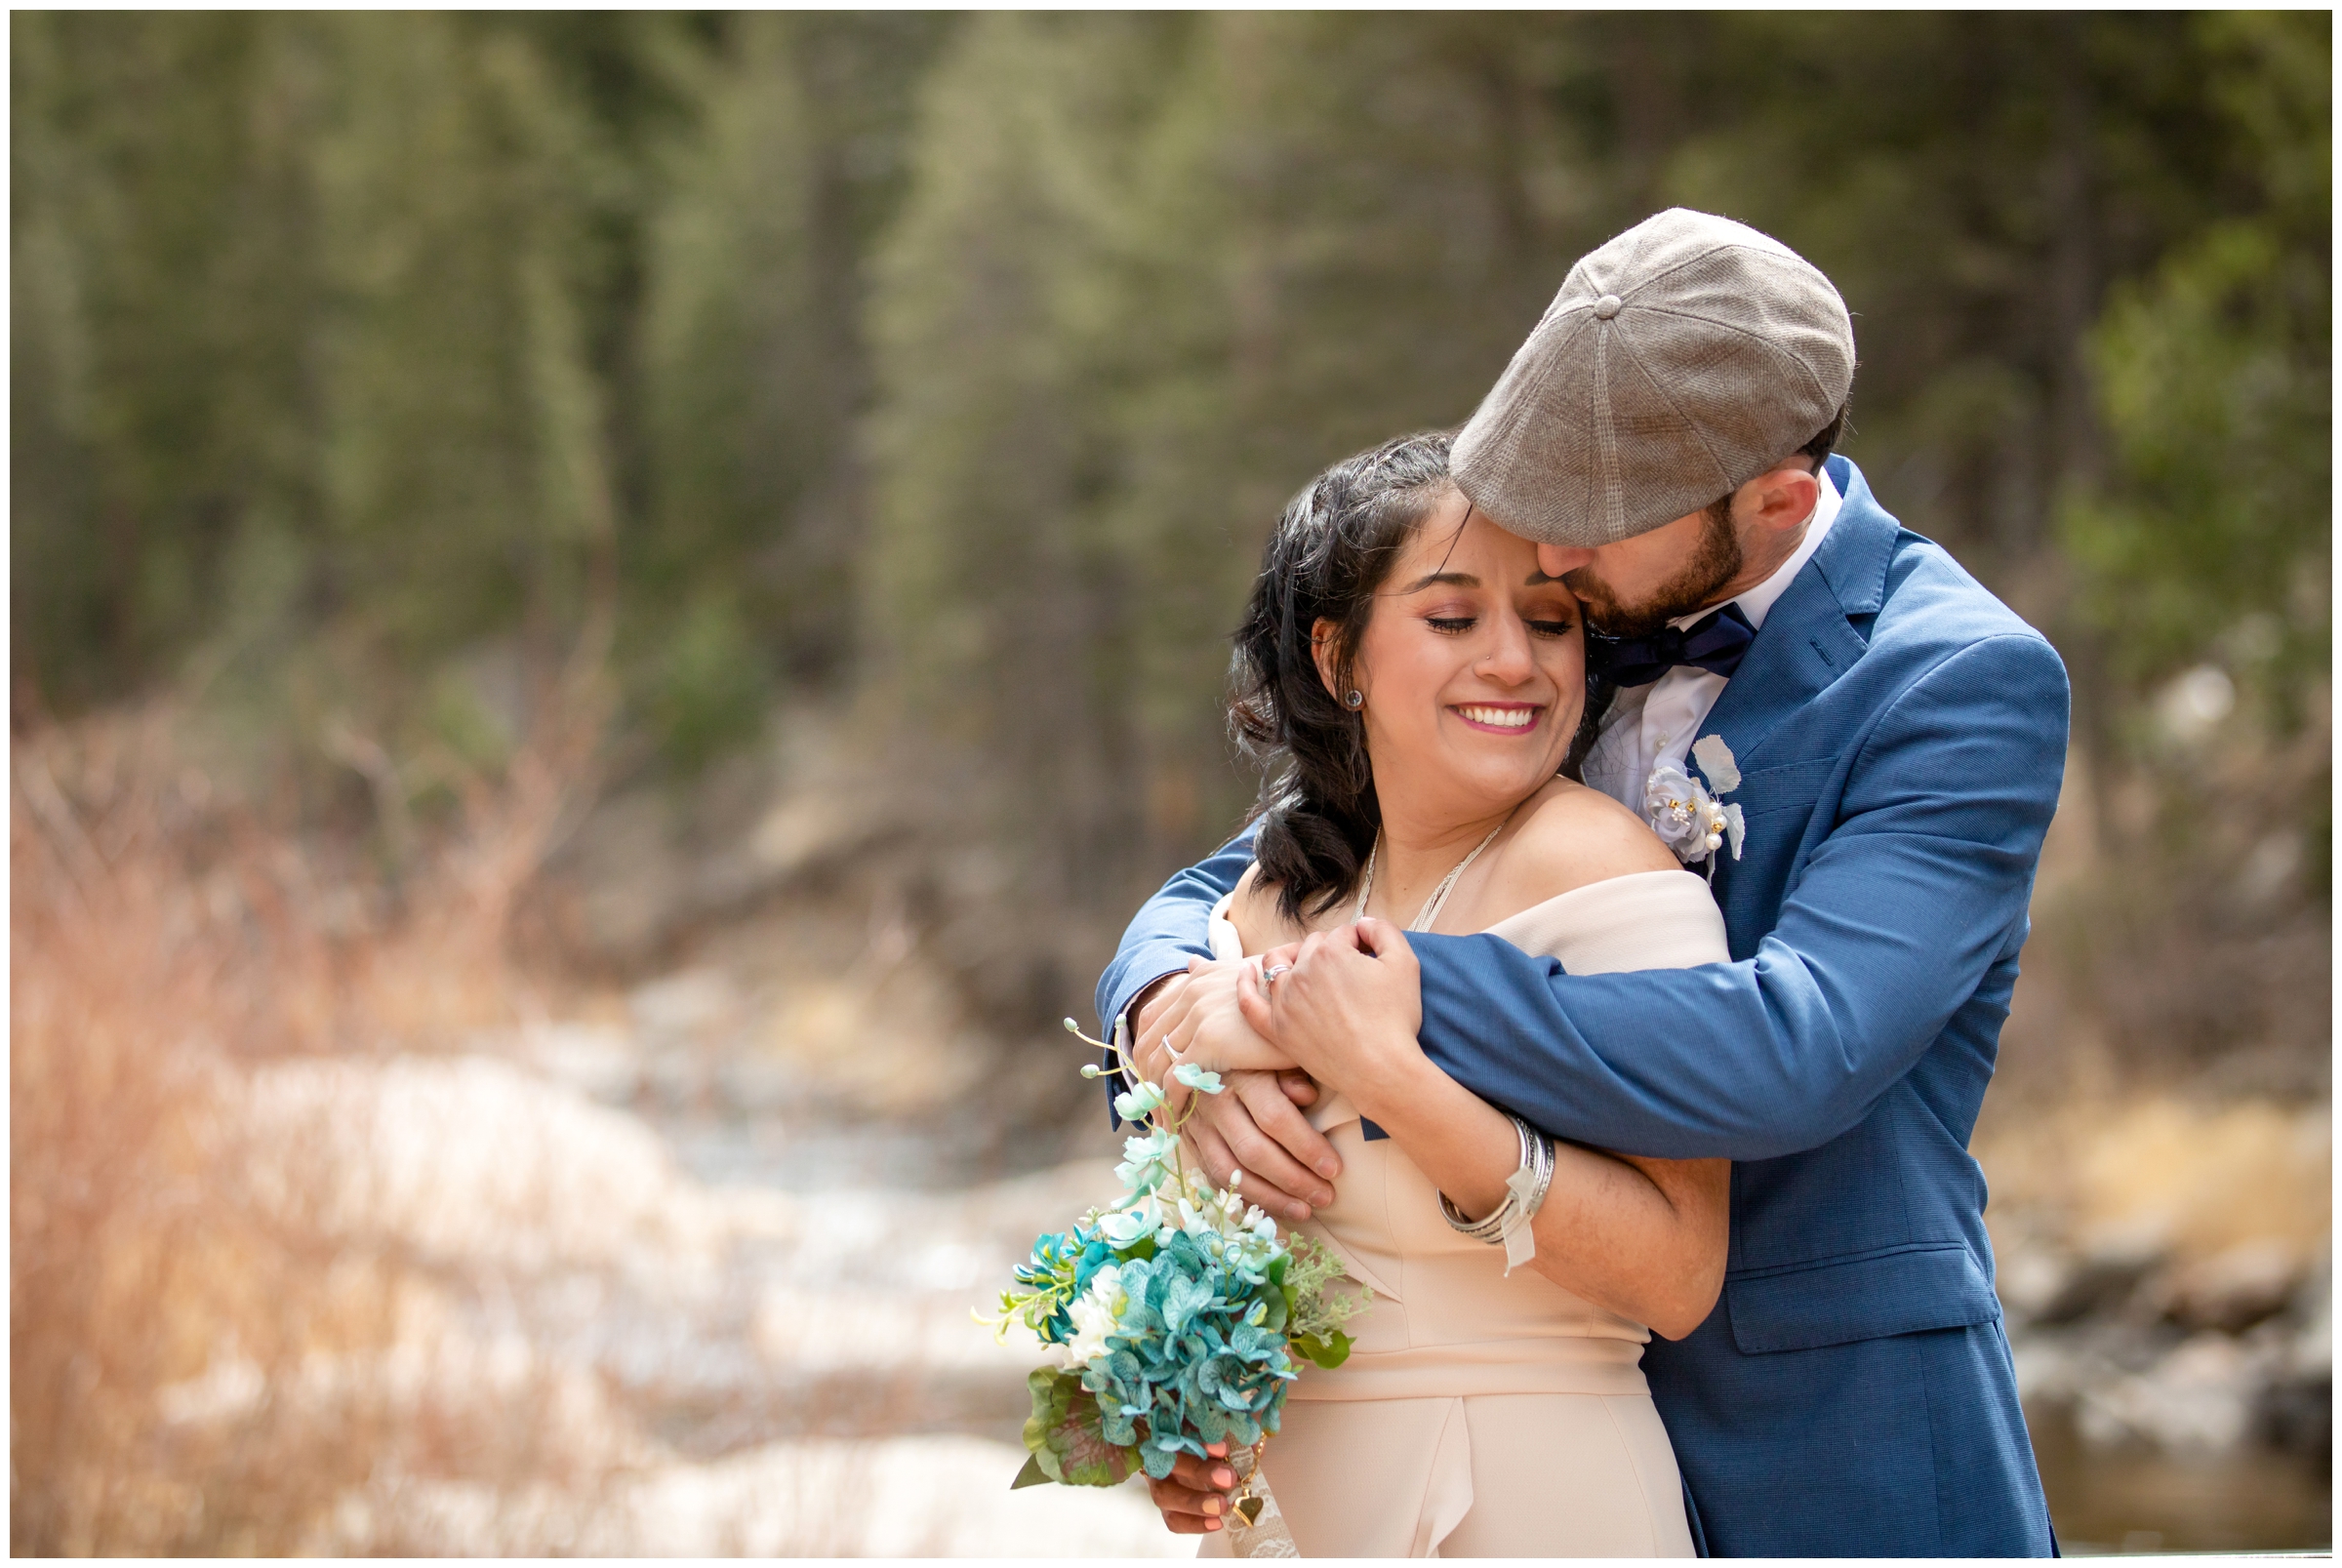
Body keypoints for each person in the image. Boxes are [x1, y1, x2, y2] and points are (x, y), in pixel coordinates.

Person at [1100, 209, 2065, 1557]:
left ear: (1776, 502)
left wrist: (1372, 997)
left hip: (1832, 1446)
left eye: (1588, 531)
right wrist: (1163, 993)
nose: (1547, 561)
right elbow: (1277, 859)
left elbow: (1802, 1042)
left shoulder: (1956, 679)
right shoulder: (1591, 611)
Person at [1147, 428, 1734, 1556]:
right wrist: (1189, 1411)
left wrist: (1393, 1078)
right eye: (1453, 618)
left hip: (1528, 1498)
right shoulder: (1263, 900)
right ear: (1338, 658)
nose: (1515, 660)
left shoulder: (1600, 869)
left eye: (1551, 620)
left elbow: (1679, 1273)